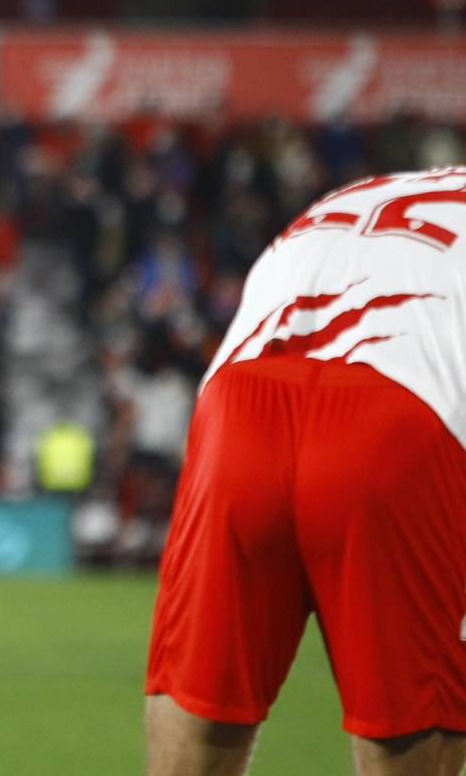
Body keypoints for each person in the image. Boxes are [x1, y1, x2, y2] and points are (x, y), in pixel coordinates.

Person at [146, 167, 466, 776]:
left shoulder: (364, 190)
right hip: (395, 420)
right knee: (411, 722)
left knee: (200, 722)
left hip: (236, 412)